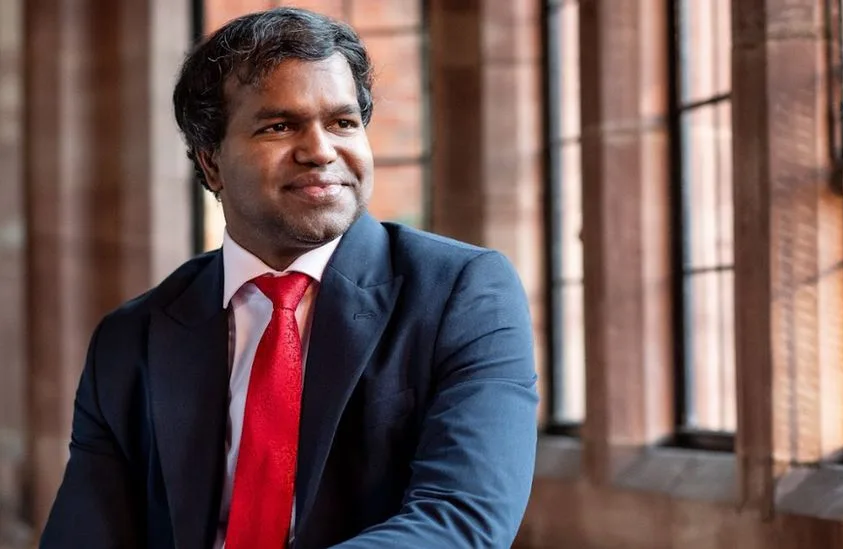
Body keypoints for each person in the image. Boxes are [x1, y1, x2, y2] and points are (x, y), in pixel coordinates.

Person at [39, 7, 538, 549]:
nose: (320, 151)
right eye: (279, 126)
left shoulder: (462, 293)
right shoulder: (130, 339)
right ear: (211, 163)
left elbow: (462, 521)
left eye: (343, 123)